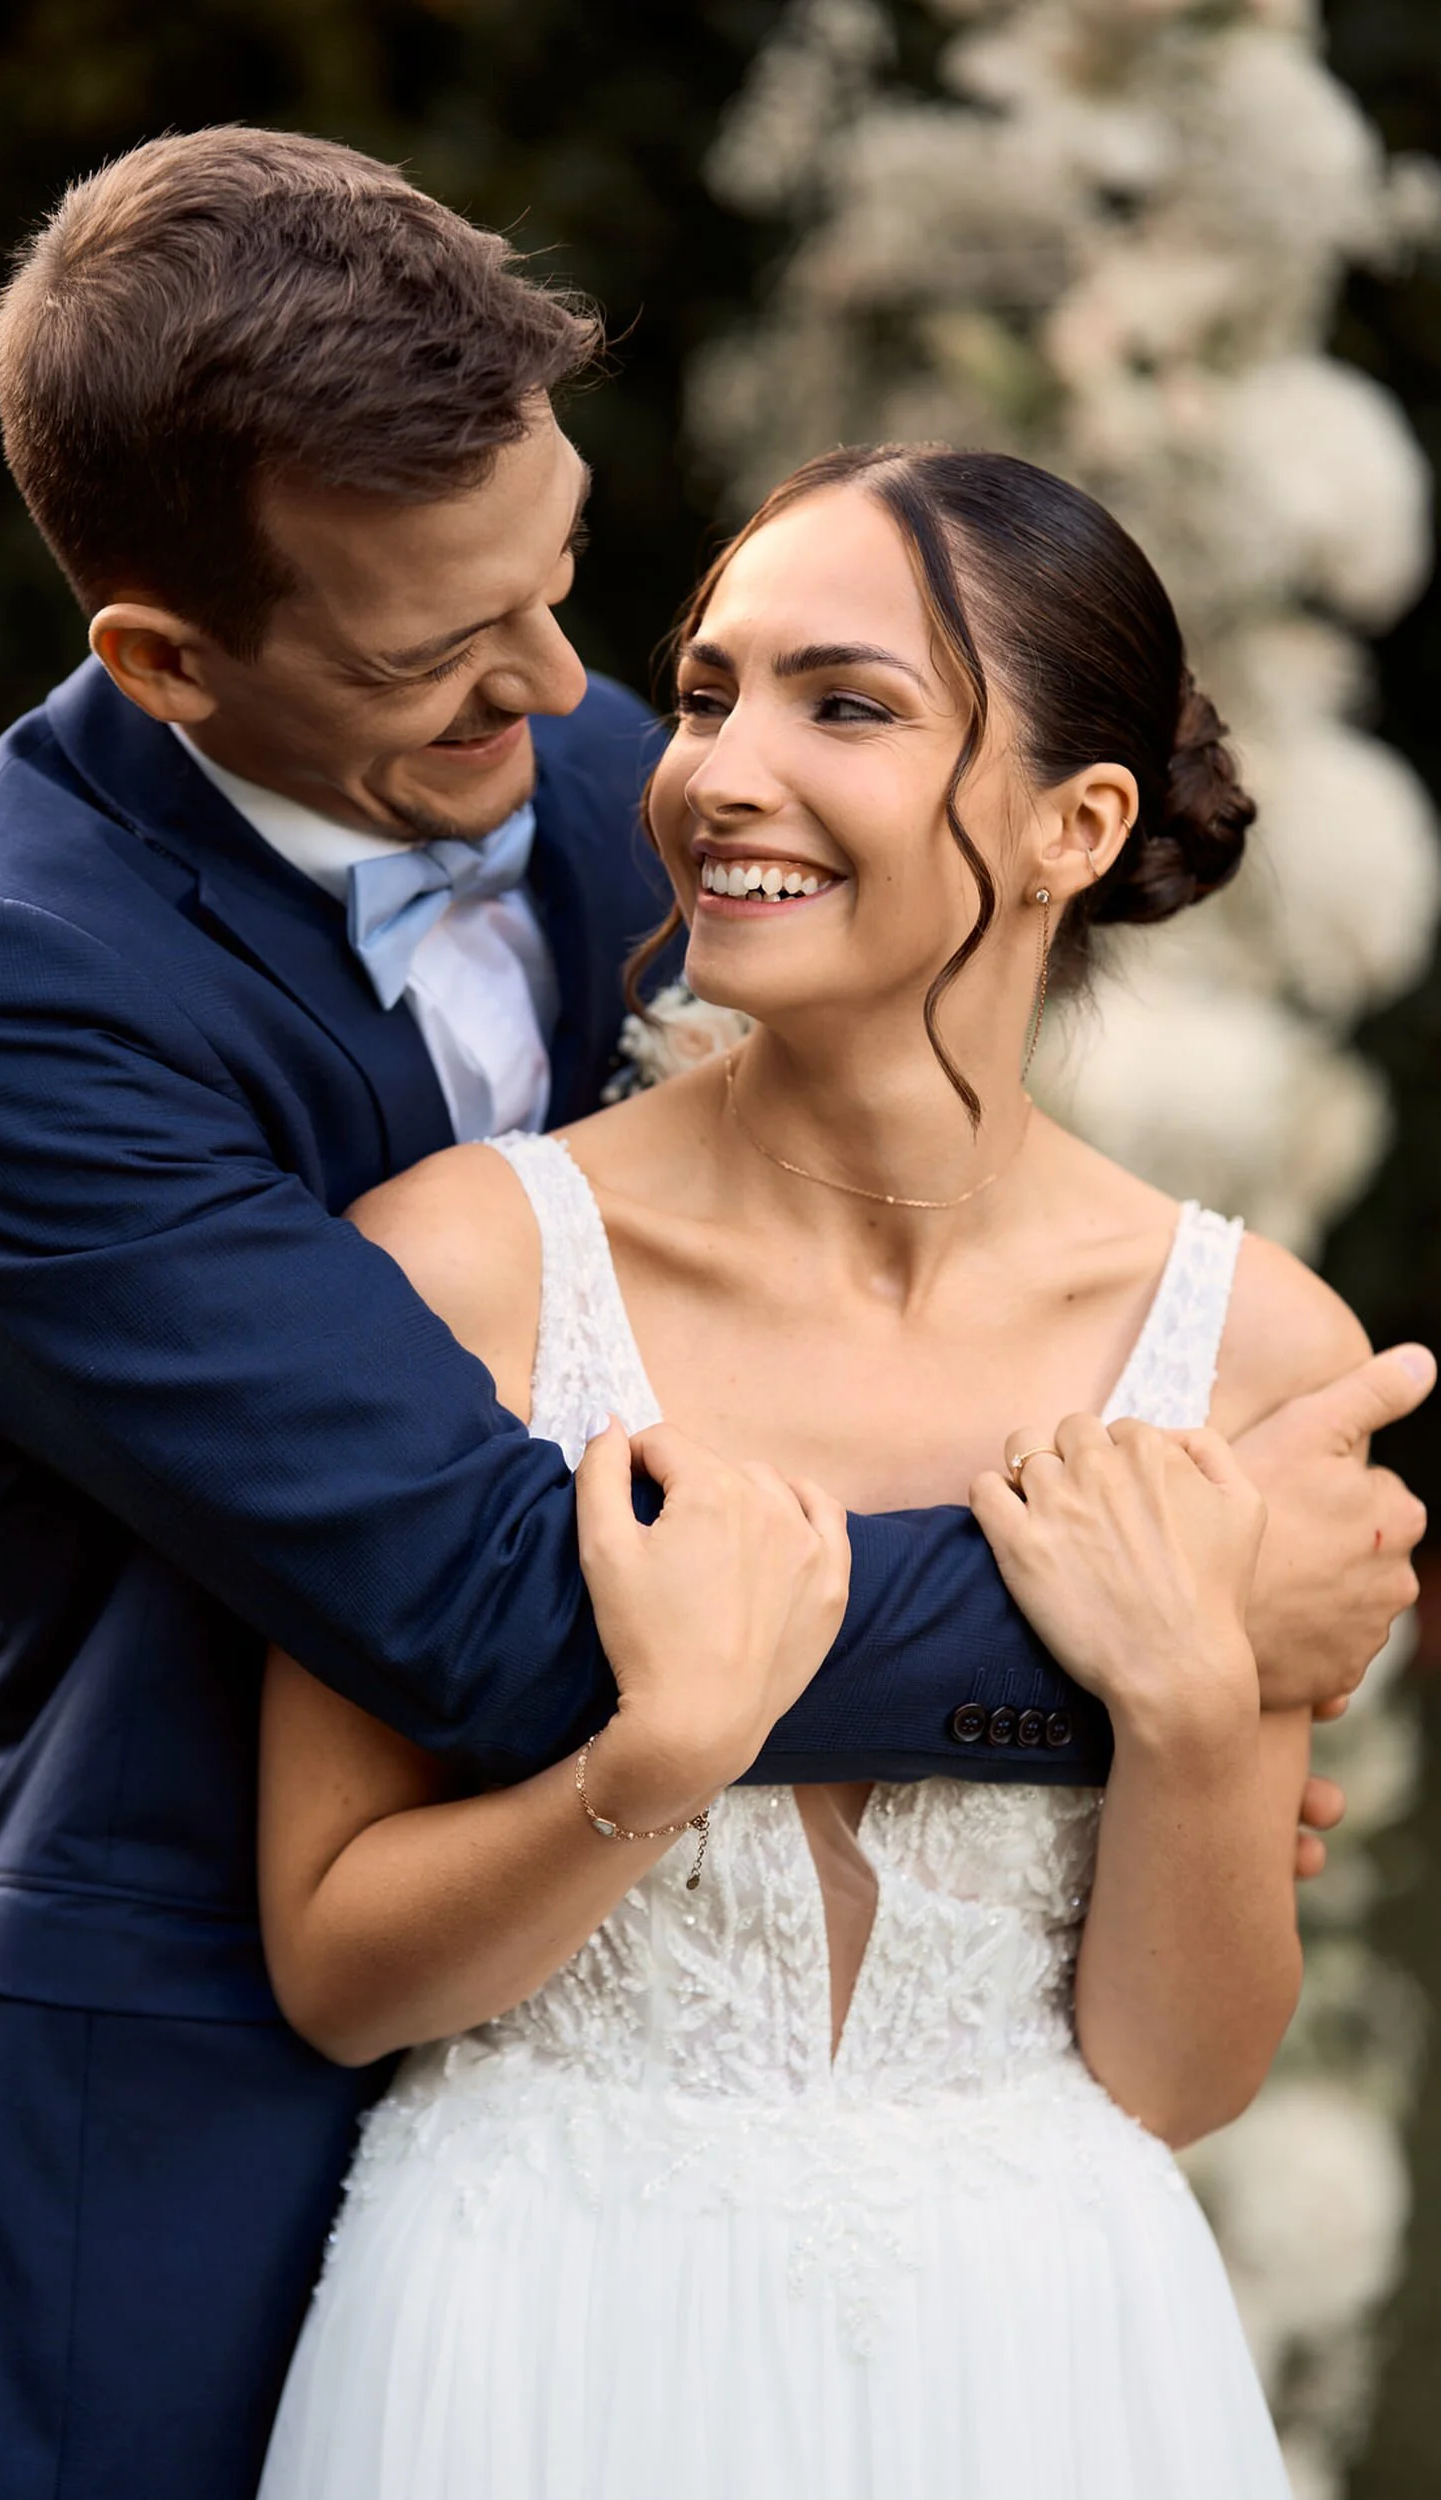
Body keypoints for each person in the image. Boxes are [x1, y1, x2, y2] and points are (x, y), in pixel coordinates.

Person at [0, 133, 1423, 2500]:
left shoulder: (632, 789)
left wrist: (1170, 1717)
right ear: (162, 657)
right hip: (229, 2102)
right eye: (442, 650)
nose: (579, 704)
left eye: (567, 593)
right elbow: (469, 1585)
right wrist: (1156, 1603)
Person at [254, 445, 1404, 2498]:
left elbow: (1177, 2064)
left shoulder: (1250, 1354)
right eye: (704, 693)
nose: (710, 772)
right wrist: (652, 1758)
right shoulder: (463, 1272)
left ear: (1074, 822)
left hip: (1043, 2356)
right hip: (530, 2336)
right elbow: (341, 1971)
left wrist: (1182, 1694)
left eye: (841, 704)